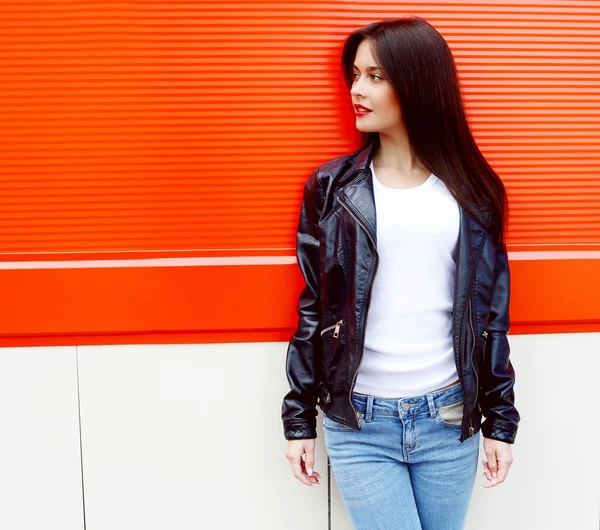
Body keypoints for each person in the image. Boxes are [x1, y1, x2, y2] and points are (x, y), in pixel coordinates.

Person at [281, 16, 520, 530]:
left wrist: (502, 421)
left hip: (450, 420)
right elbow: (314, 308)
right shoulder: (331, 188)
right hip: (361, 422)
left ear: (416, 82)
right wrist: (298, 418)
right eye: (354, 75)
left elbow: (492, 316)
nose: (356, 90)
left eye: (375, 76)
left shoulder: (474, 193)